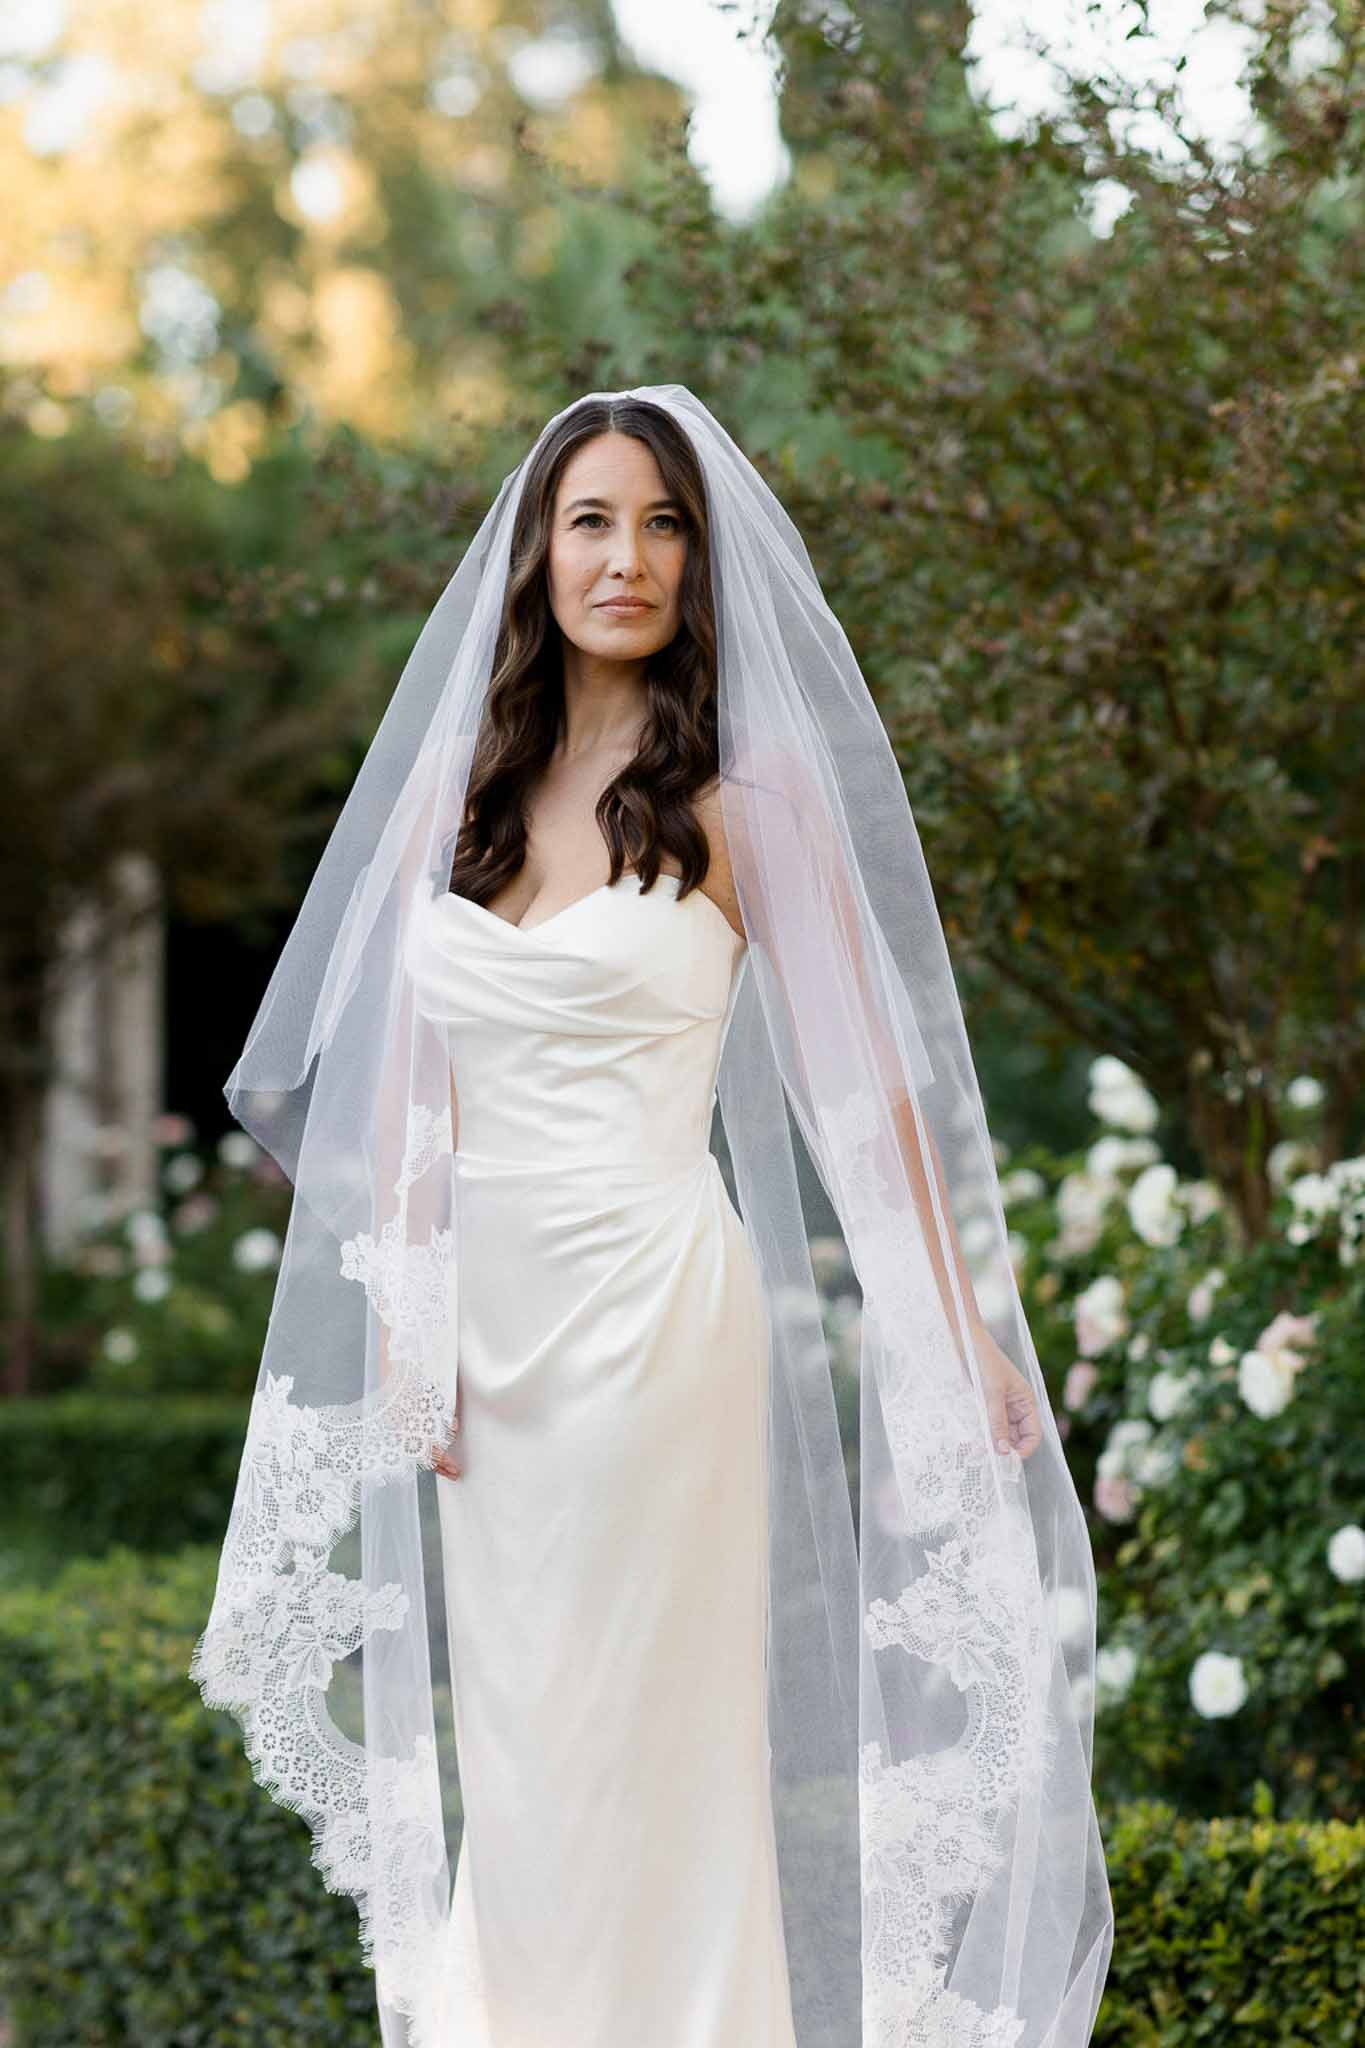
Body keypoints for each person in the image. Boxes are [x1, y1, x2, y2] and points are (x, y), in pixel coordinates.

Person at [191, 386, 1114, 2048]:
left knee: (656, 1753)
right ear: (538, 553)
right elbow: (408, 1090)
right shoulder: (461, 800)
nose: (626, 559)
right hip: (492, 1343)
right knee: (532, 1766)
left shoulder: (747, 804)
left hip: (657, 1323)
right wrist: (410, 1321)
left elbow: (862, 1092)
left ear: (699, 563)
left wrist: (950, 1321)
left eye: (662, 524)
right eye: (592, 520)